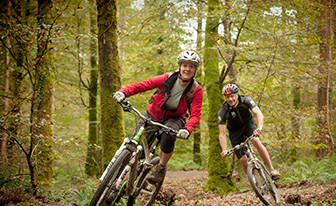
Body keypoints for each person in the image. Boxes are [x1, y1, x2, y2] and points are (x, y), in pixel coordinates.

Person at [113, 50, 203, 184]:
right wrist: (124, 92)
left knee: (169, 135)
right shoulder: (166, 78)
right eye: (184, 65)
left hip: (175, 118)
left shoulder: (196, 90)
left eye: (191, 66)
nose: (187, 69)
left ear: (195, 69)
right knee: (135, 149)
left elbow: (195, 114)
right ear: (179, 66)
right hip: (153, 114)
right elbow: (143, 85)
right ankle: (114, 184)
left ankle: (160, 168)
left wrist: (187, 129)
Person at [218, 84, 280, 179]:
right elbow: (222, 134)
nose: (230, 99)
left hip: (248, 124)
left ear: (237, 95)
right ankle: (254, 181)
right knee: (243, 159)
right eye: (227, 97)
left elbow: (258, 113)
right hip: (235, 131)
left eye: (232, 96)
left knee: (256, 141)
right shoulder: (223, 110)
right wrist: (224, 149)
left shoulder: (245, 100)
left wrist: (259, 128)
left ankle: (272, 170)